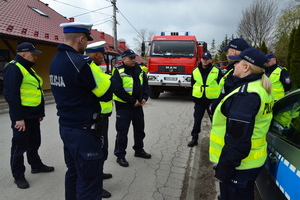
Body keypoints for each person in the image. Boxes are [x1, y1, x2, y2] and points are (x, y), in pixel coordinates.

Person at [50, 22, 112, 200]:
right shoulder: (79, 63)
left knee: (74, 173)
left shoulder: (56, 61)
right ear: (81, 38)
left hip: (67, 127)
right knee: (90, 182)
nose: (86, 45)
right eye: (86, 41)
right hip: (84, 131)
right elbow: (106, 94)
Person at [209, 48, 274, 200]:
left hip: (239, 166)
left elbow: (237, 138)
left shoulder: (247, 94)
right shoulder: (260, 88)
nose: (234, 65)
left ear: (246, 67)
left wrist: (225, 170)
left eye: (237, 62)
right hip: (251, 161)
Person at [3, 42, 54, 189]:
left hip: (33, 115)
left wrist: (40, 113)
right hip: (22, 117)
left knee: (34, 142)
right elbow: (12, 95)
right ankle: (18, 176)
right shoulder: (13, 68)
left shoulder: (28, 69)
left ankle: (36, 165)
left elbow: (36, 91)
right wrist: (18, 118)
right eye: (33, 55)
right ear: (23, 54)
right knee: (19, 147)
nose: (36, 58)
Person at [112, 49, 151, 167]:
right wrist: (132, 101)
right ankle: (120, 155)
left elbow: (145, 85)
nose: (134, 60)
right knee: (122, 132)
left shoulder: (139, 70)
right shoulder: (118, 71)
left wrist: (144, 97)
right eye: (131, 58)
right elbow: (117, 90)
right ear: (123, 59)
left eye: (134, 58)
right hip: (123, 106)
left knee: (139, 129)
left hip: (138, 106)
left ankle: (139, 150)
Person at [85, 41, 113, 198]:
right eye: (102, 54)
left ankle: (99, 173)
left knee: (102, 148)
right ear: (95, 55)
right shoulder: (91, 68)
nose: (103, 57)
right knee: (97, 150)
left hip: (102, 115)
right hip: (97, 116)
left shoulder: (95, 68)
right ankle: (96, 186)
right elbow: (107, 89)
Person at [188, 52, 222, 147]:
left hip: (212, 101)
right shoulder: (195, 71)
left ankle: (216, 141)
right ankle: (194, 139)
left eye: (207, 58)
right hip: (199, 101)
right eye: (203, 58)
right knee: (197, 121)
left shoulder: (216, 71)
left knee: (215, 122)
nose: (205, 60)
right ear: (201, 59)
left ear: (211, 60)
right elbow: (192, 84)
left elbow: (221, 84)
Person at [210, 38, 251, 116]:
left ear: (233, 52)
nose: (226, 55)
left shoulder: (237, 73)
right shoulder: (234, 70)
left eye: (227, 51)